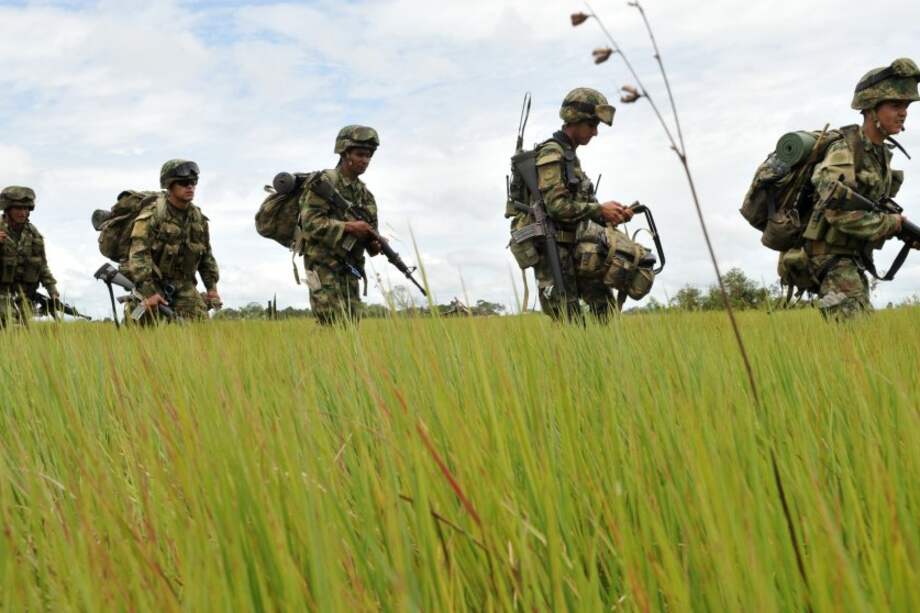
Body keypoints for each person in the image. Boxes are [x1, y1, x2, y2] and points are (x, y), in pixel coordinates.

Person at [802, 58, 920, 319]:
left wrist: (901, 229)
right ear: (870, 108)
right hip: (832, 261)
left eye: (907, 106)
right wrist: (892, 224)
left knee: (861, 343)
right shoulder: (844, 149)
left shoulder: (879, 155)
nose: (904, 112)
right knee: (852, 343)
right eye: (895, 105)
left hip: (851, 261)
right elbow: (837, 212)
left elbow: (872, 211)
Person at [521, 87, 635, 320]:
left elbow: (579, 206)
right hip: (555, 254)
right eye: (592, 125)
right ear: (575, 120)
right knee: (568, 322)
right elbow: (557, 207)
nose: (595, 133)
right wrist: (598, 209)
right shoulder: (553, 153)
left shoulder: (570, 157)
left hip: (577, 251)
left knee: (605, 312)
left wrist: (610, 213)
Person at [299, 125, 382, 325]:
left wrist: (375, 244)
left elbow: (371, 239)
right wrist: (349, 227)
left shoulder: (365, 195)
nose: (365, 160)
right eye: (360, 154)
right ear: (344, 153)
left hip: (351, 270)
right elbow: (309, 223)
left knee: (352, 324)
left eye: (369, 155)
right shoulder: (325, 182)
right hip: (322, 268)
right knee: (330, 322)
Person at [127, 160, 221, 320]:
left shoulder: (198, 219)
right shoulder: (151, 216)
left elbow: (206, 257)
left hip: (184, 285)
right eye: (184, 183)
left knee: (202, 331)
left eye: (193, 182)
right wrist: (149, 293)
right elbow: (138, 256)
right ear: (169, 185)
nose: (190, 187)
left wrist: (212, 289)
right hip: (151, 283)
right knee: (138, 327)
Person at [0, 186, 59, 326]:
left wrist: (52, 289)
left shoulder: (33, 234)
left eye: (26, 209)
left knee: (24, 333)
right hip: (1, 293)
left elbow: (42, 265)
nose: (23, 212)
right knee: (10, 327)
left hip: (24, 295)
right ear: (7, 209)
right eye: (18, 209)